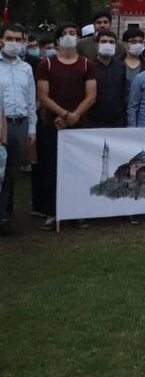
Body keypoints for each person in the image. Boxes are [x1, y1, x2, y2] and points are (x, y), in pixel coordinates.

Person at [35, 24, 96, 230]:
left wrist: (74, 116)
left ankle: (77, 211)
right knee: (52, 169)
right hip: (53, 124)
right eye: (65, 34)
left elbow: (91, 95)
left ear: (79, 38)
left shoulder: (87, 64)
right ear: (58, 39)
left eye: (73, 34)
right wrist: (63, 115)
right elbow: (43, 95)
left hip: (78, 124)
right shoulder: (47, 65)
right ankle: (53, 212)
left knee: (78, 168)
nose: (69, 37)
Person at [1, 24, 36, 233]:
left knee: (11, 174)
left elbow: (31, 101)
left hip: (20, 125)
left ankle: (5, 216)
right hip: (0, 125)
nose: (14, 43)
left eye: (18, 39)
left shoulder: (26, 68)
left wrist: (32, 129)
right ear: (1, 40)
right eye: (10, 38)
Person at [89, 30, 127, 128]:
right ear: (96, 45)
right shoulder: (88, 66)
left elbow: (123, 92)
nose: (108, 44)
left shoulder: (121, 66)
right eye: (104, 42)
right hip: (92, 121)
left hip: (117, 121)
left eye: (111, 42)